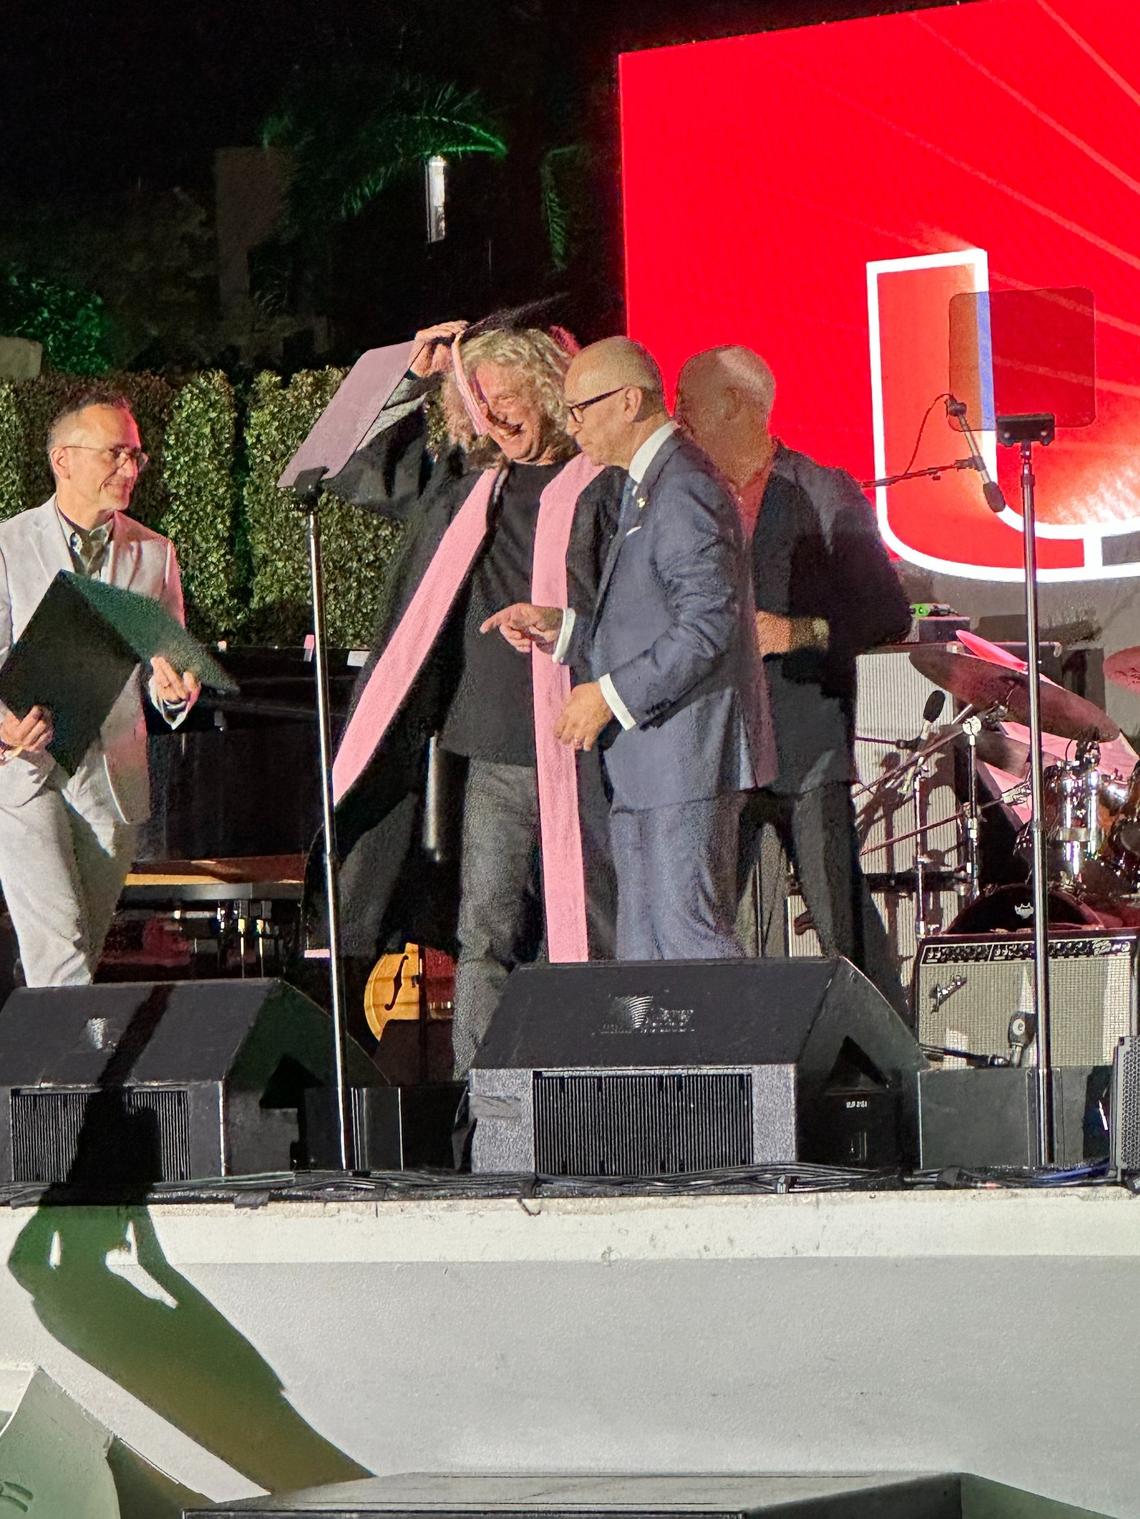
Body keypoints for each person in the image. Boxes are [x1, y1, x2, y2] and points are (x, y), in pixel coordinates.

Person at [323, 319, 623, 1077]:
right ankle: (483, 1107)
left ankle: (580, 1091)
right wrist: (414, 377)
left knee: (581, 932)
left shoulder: (605, 485)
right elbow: (362, 465)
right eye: (479, 403)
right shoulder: (464, 493)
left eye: (508, 396)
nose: (494, 416)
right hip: (491, 751)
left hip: (590, 748)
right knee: (483, 936)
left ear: (549, 388)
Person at [483, 337, 772, 959]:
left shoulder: (684, 489)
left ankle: (745, 1058)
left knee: (688, 941)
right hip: (649, 764)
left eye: (581, 408)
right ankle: (665, 1061)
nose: (572, 425)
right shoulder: (646, 488)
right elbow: (646, 625)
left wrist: (609, 696)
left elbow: (706, 629)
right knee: (644, 953)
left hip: (685, 760)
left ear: (631, 401)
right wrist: (561, 629)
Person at [674, 345, 913, 1018]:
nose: (678, 416)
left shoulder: (823, 489)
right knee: (703, 919)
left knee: (840, 921)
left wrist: (797, 631)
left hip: (805, 743)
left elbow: (886, 613)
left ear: (743, 409)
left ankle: (886, 1060)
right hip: (717, 748)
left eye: (690, 402)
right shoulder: (685, 501)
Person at [0, 389, 199, 986]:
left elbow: (173, 663)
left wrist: (173, 691)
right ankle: (74, 1082)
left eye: (136, 456)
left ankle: (40, 1069)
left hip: (111, 780)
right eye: (115, 454)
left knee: (77, 950)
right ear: (63, 459)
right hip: (22, 769)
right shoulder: (8, 544)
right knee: (60, 951)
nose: (130, 468)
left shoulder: (154, 553)